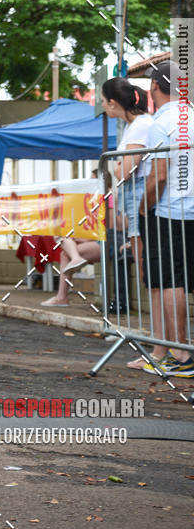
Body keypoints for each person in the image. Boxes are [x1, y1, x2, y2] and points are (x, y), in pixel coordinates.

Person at [138, 60, 194, 378]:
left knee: (172, 281)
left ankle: (182, 354)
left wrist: (144, 206)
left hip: (169, 210)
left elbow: (158, 176)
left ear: (154, 88)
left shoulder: (161, 123)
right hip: (190, 208)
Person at [100, 77, 156, 366]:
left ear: (113, 102)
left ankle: (163, 348)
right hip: (135, 206)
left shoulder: (142, 125)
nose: (103, 106)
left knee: (154, 278)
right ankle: (160, 347)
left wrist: (115, 166)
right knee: (151, 279)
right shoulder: (135, 126)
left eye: (103, 101)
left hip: (141, 206)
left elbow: (125, 168)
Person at [41, 236, 101, 307]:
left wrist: (88, 238)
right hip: (97, 239)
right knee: (63, 242)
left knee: (66, 253)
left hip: (107, 241)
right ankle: (75, 257)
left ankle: (61, 297)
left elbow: (111, 231)